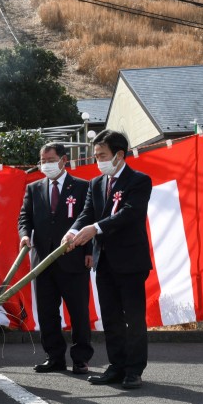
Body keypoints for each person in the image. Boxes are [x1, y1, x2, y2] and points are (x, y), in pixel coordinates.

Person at [62, 129, 153, 389]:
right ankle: (116, 366)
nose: (98, 160)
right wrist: (72, 231)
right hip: (104, 261)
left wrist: (96, 229)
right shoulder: (97, 183)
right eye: (96, 155)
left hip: (131, 261)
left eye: (102, 155)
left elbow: (130, 214)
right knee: (111, 317)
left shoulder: (139, 181)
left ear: (119, 155)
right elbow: (86, 213)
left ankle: (134, 370)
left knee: (133, 318)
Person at [18, 143, 94, 375]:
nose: (46, 164)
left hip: (73, 258)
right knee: (47, 312)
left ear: (63, 160)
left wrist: (89, 250)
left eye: (50, 160)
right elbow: (24, 218)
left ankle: (80, 359)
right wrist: (23, 236)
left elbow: (88, 217)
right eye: (42, 160)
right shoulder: (34, 188)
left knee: (79, 311)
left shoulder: (82, 187)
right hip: (42, 260)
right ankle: (54, 357)